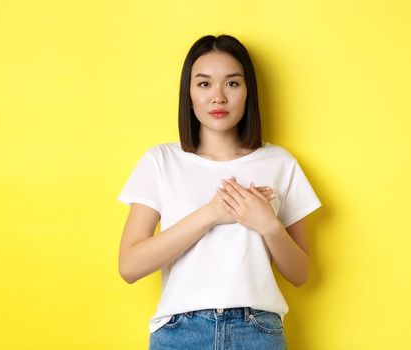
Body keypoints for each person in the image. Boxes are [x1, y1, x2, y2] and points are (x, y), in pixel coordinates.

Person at [116, 34, 322, 350]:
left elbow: (300, 273)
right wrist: (212, 214)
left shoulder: (279, 162)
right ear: (189, 94)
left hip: (257, 332)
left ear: (248, 92)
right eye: (204, 84)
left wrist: (267, 225)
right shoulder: (161, 161)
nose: (218, 97)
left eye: (232, 84)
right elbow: (130, 266)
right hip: (179, 333)